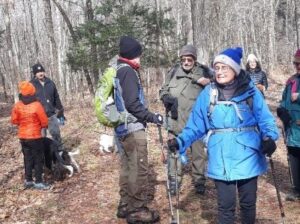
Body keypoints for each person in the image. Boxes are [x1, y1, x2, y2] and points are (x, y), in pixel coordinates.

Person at [167, 47, 279, 224]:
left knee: (248, 204)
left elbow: (265, 119)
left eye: (224, 68)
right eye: (217, 68)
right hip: (221, 156)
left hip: (248, 154)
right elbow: (196, 125)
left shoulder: (250, 92)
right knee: (225, 206)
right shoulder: (208, 94)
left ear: (234, 68)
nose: (219, 72)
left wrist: (269, 138)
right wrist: (180, 141)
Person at [115, 36, 163, 224]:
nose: (140, 59)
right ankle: (136, 210)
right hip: (133, 128)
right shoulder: (127, 72)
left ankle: (125, 204)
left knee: (127, 167)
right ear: (132, 55)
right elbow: (133, 104)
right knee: (139, 168)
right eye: (138, 55)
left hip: (122, 127)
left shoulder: (118, 69)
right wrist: (152, 117)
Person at [159, 44, 211, 195]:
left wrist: (201, 80)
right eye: (184, 59)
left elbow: (215, 88)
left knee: (198, 153)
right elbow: (163, 90)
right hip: (175, 120)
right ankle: (174, 180)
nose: (186, 62)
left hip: (196, 123)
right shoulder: (173, 71)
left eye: (190, 59)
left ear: (194, 60)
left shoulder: (204, 72)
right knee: (174, 151)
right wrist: (166, 98)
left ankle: (199, 181)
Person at [11, 81, 50, 190]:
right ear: (33, 91)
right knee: (38, 159)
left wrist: (22, 123)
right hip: (35, 137)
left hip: (23, 137)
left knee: (27, 159)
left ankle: (28, 180)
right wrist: (42, 127)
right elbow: (44, 121)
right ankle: (38, 182)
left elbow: (14, 120)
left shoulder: (18, 105)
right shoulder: (37, 105)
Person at [277, 49, 300, 201]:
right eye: (296, 63)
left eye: (299, 63)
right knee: (294, 159)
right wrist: (281, 111)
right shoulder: (291, 81)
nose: (297, 66)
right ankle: (297, 189)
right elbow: (283, 101)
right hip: (292, 129)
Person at [30, 63, 64, 144]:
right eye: (38, 72)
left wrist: (60, 110)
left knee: (56, 136)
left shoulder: (50, 82)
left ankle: (60, 153)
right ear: (35, 74)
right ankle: (44, 155)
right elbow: (28, 100)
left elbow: (56, 97)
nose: (41, 73)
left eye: (42, 71)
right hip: (38, 117)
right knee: (41, 139)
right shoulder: (31, 85)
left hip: (51, 115)